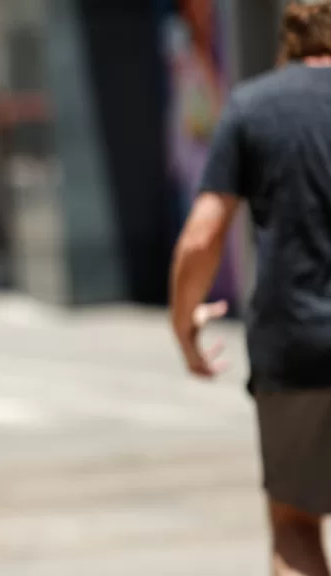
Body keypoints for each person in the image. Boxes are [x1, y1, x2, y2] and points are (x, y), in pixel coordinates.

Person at [170, 3, 331, 575]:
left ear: (288, 36)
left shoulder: (253, 106)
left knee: (294, 526)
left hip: (293, 347)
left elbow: (201, 236)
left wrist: (184, 325)